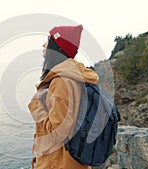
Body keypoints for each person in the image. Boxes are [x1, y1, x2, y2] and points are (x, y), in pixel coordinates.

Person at [28, 25, 99, 169]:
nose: (44, 44)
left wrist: (36, 104)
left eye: (48, 40)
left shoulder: (62, 82)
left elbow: (57, 133)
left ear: (57, 47)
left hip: (59, 163)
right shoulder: (75, 76)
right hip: (71, 162)